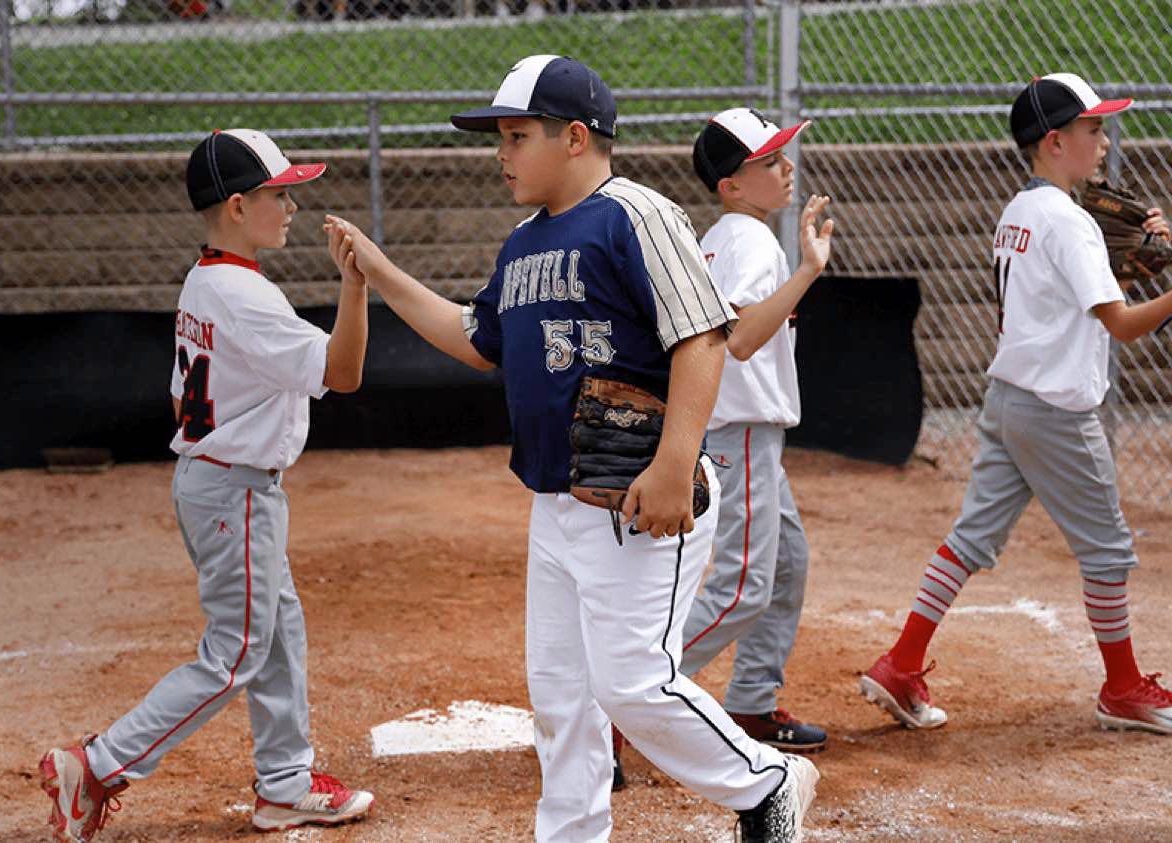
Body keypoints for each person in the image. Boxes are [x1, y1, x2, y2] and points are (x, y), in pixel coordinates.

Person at [328, 54, 818, 843]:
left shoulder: (635, 214)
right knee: (561, 695)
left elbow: (702, 338)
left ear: (577, 137)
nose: (501, 152)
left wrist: (671, 463)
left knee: (632, 683)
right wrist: (382, 273)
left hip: (632, 493)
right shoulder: (524, 242)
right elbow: (475, 336)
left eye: (518, 136)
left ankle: (766, 781)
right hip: (556, 499)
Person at [38, 128, 375, 842]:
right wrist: (356, 284)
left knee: (277, 633)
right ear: (235, 205)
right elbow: (342, 373)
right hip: (236, 491)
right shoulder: (243, 294)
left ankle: (284, 784)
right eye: (277, 194)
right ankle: (96, 765)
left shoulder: (206, 277)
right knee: (235, 654)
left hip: (217, 481)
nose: (289, 206)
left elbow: (182, 396)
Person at [859, 74, 1172, 735]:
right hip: (1056, 410)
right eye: (1093, 129)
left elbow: (1069, 297)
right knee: (1109, 550)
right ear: (1055, 141)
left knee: (971, 538)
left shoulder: (1020, 211)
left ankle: (901, 662)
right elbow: (1119, 324)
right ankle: (1122, 687)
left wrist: (1120, 268)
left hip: (1008, 399)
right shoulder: (1070, 222)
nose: (1106, 143)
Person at [680, 109, 833, 750]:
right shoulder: (749, 239)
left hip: (743, 430)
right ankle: (622, 692)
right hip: (740, 430)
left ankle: (749, 701)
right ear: (732, 186)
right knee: (743, 587)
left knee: (788, 562)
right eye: (768, 161)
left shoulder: (725, 235)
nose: (786, 166)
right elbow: (738, 338)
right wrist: (807, 271)